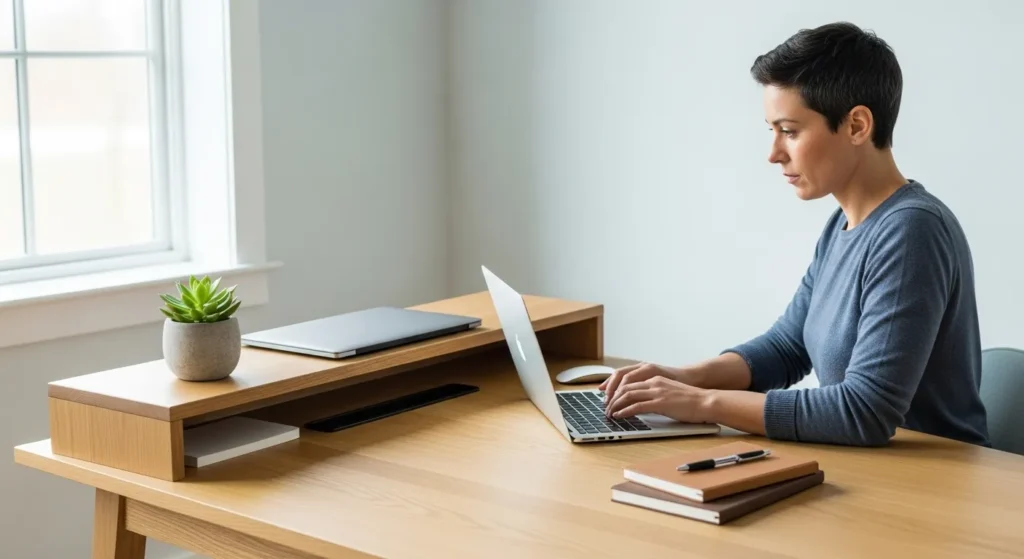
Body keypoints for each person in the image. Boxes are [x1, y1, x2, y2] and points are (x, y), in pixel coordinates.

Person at [601, 21, 990, 447]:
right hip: (873, 471)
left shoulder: (912, 230)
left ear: (858, 125)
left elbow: (864, 412)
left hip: (936, 487)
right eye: (772, 130)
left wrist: (702, 402)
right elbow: (788, 347)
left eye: (789, 130)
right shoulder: (842, 224)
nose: (773, 153)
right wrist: (680, 377)